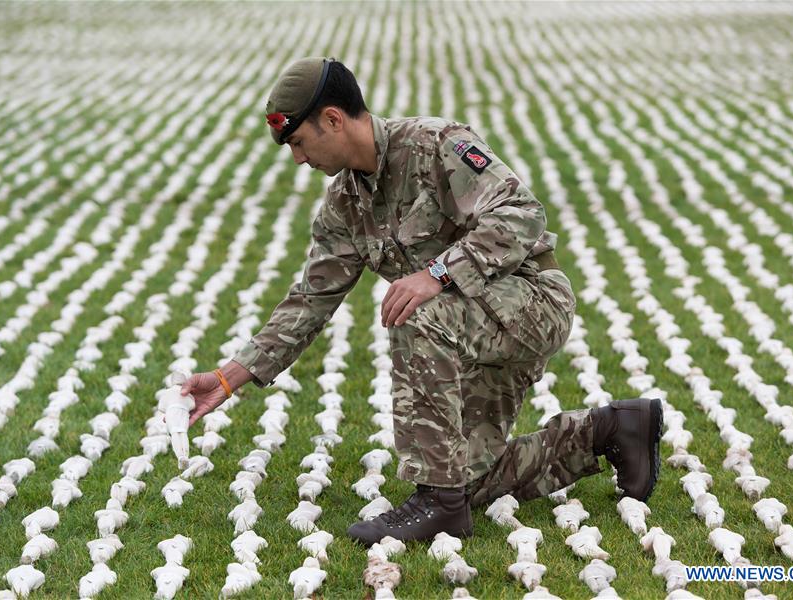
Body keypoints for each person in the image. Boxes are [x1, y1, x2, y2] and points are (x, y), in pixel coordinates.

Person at [179, 57, 663, 546]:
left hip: (532, 300)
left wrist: (436, 274)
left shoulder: (436, 144)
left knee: (415, 311)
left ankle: (436, 503)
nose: (298, 160)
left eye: (299, 142)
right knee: (468, 477)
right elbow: (310, 300)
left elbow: (522, 213)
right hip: (468, 326)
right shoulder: (344, 205)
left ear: (332, 119)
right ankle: (612, 430)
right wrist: (228, 377)